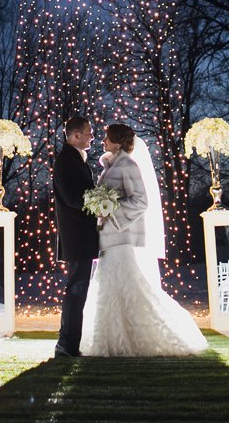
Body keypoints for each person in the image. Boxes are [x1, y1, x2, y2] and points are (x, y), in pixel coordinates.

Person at [80, 123, 208, 357]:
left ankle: (155, 334)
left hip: (120, 238)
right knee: (111, 291)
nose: (103, 141)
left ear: (118, 142)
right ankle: (109, 339)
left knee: (130, 289)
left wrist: (110, 209)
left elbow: (141, 201)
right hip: (106, 240)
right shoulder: (109, 168)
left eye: (107, 138)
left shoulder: (128, 165)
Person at [52, 115, 98, 357]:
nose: (93, 135)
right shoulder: (66, 161)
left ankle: (68, 344)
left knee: (78, 292)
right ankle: (66, 345)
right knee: (76, 292)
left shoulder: (76, 159)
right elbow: (72, 197)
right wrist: (98, 203)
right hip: (77, 237)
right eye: (89, 132)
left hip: (81, 237)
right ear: (75, 135)